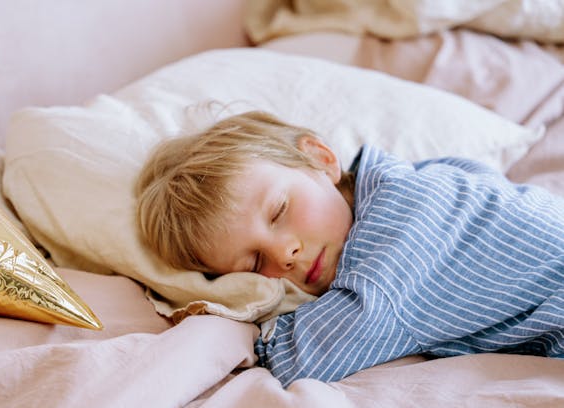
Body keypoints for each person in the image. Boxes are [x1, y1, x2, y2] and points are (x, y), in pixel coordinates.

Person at [135, 110, 564, 387]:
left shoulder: (384, 264)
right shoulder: (410, 176)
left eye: (280, 211)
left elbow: (298, 360)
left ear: (321, 157)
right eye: (254, 262)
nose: (285, 254)